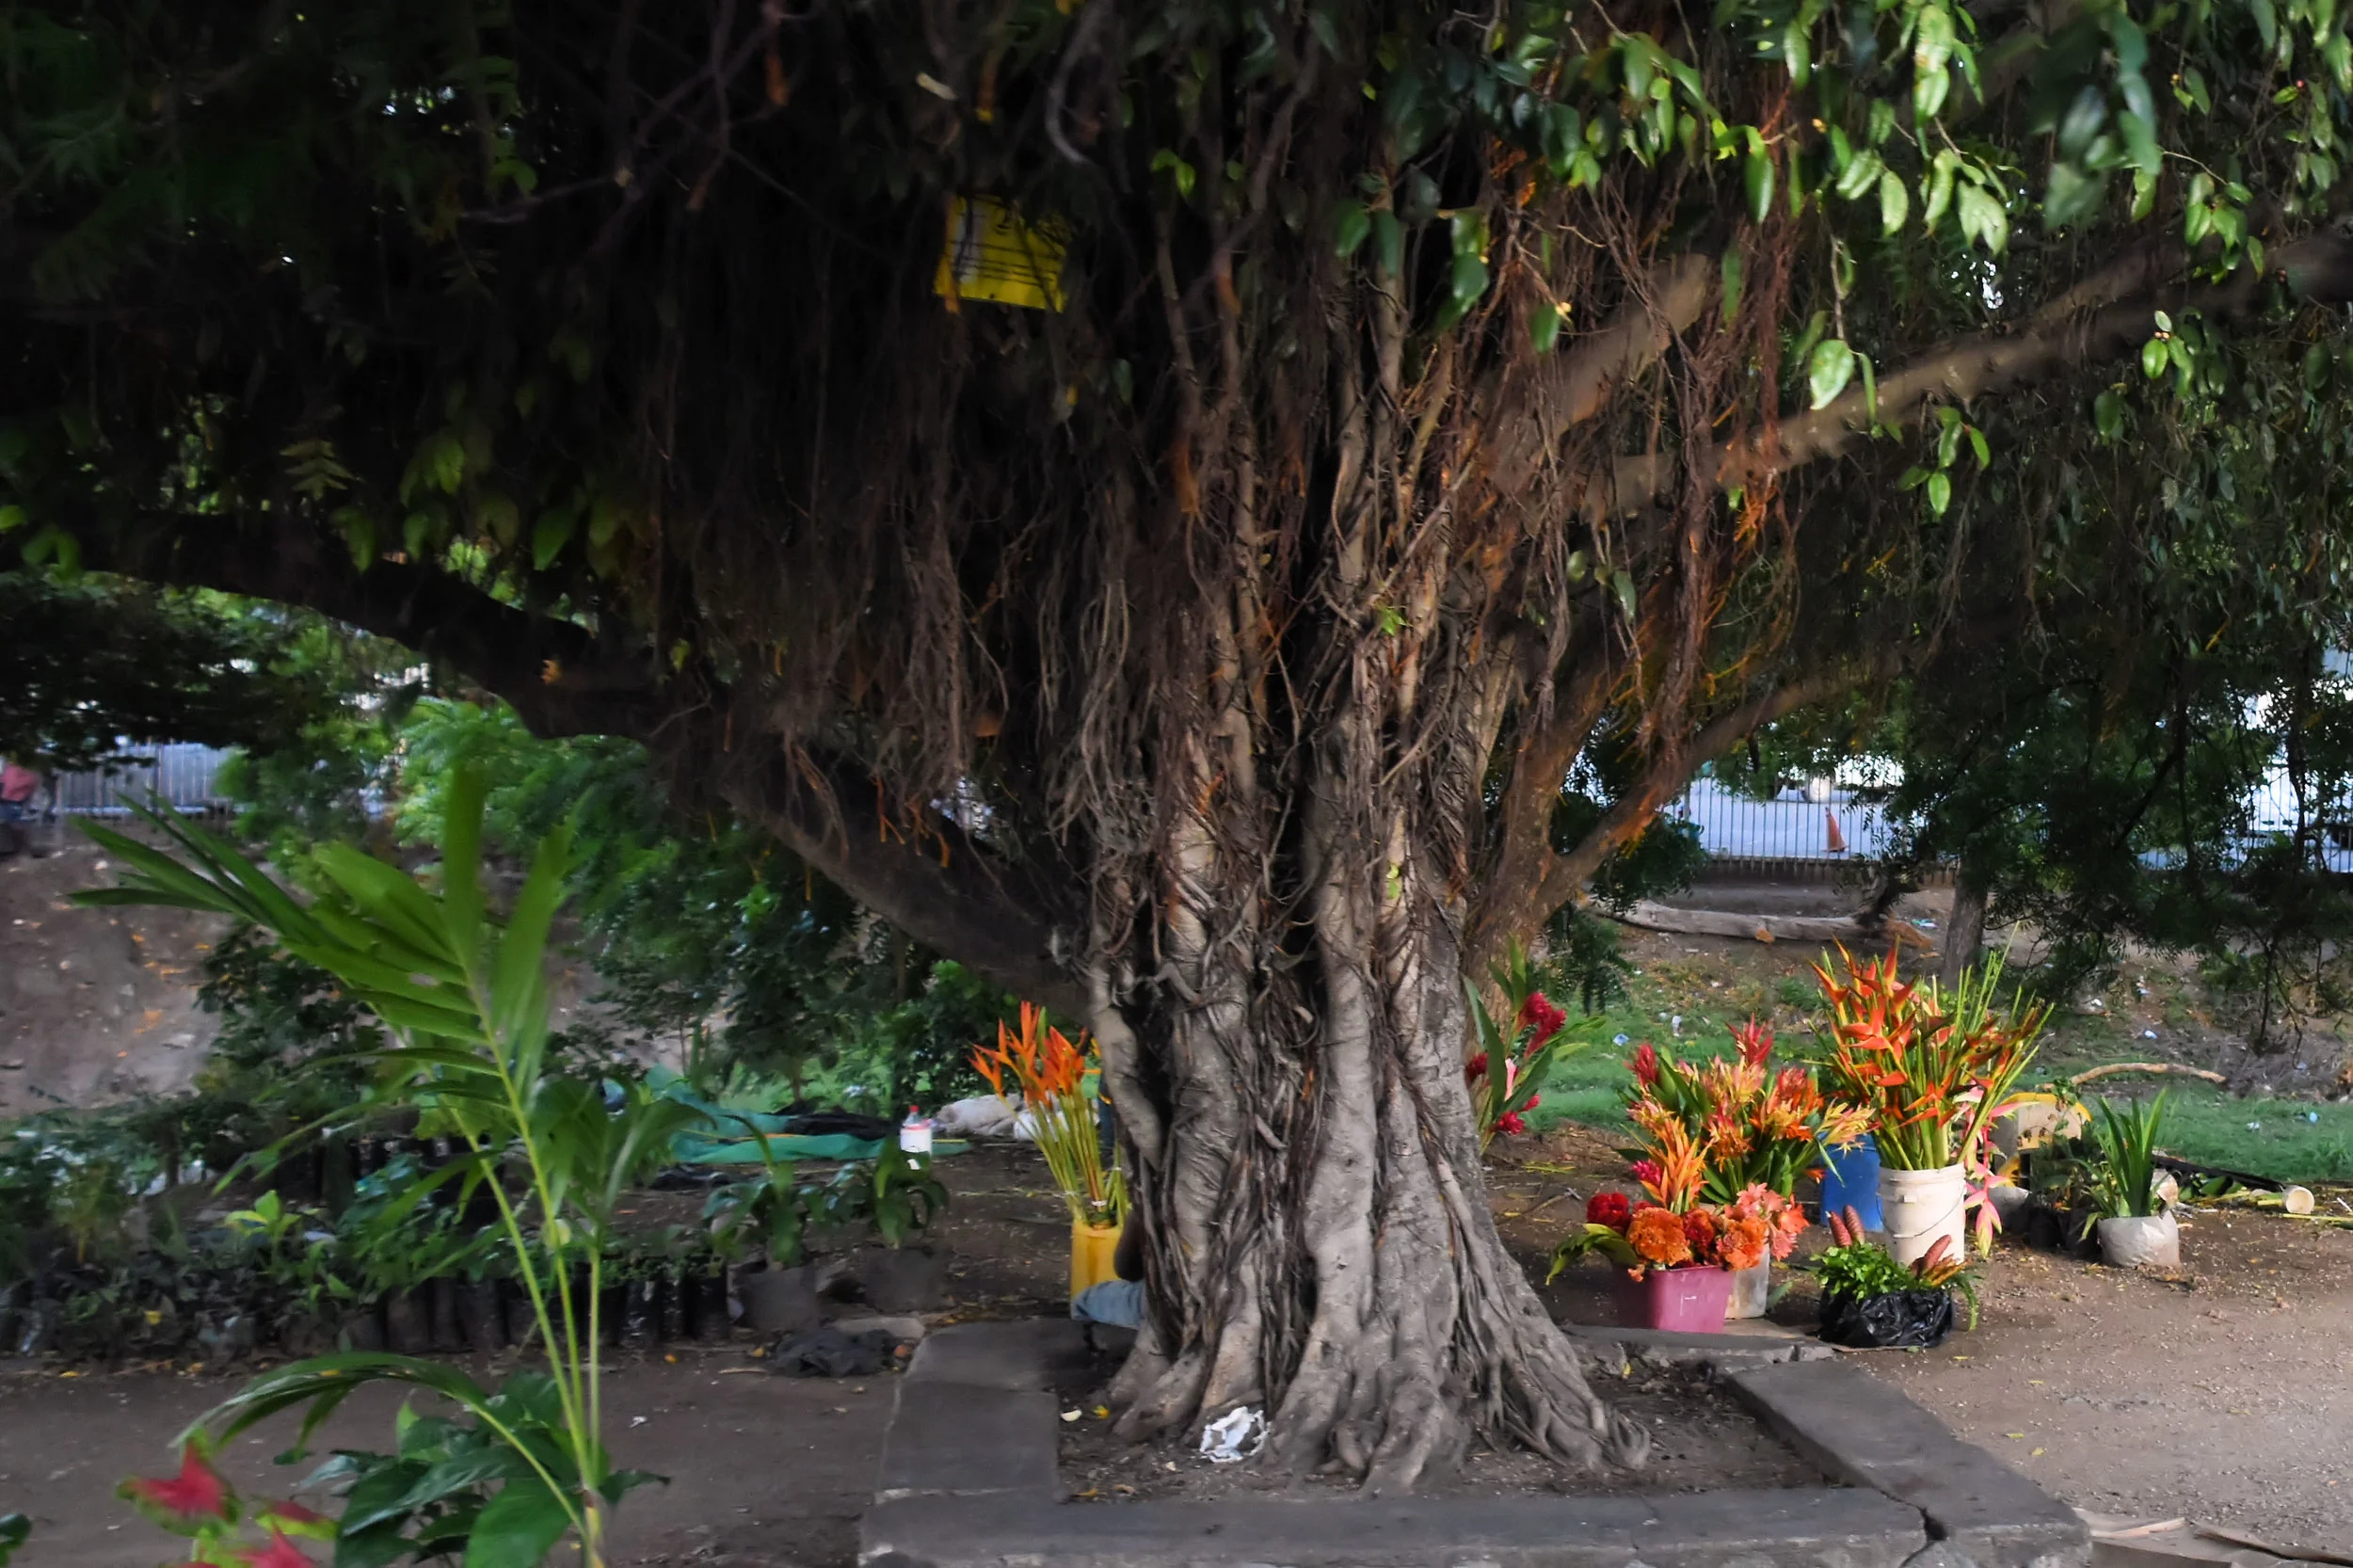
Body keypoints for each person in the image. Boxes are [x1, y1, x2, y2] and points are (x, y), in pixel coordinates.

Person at [1070, 1215, 1146, 1329]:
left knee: (1083, 1301)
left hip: (1161, 1303)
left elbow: (1126, 1270)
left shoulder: (1158, 1201)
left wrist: (1134, 1219)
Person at [0, 758, 40, 857]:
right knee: (12, 825)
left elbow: (11, 786)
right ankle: (19, 851)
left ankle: (19, 851)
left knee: (13, 825)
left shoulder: (19, 771)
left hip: (12, 802)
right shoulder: (14, 770)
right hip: (10, 802)